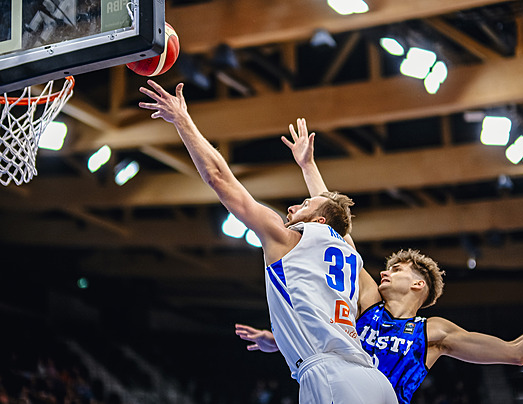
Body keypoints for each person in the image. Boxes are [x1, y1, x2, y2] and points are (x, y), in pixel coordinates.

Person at [235, 118, 523, 404]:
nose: (384, 273)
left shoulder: (432, 333)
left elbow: (516, 353)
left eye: (396, 270)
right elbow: (333, 233)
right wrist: (308, 166)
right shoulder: (367, 306)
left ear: (419, 284)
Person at [138, 82, 397, 404]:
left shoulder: (286, 238)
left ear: (317, 221)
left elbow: (219, 178)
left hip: (331, 377)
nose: (291, 208)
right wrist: (307, 166)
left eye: (301, 205)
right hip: (373, 380)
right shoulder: (348, 251)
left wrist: (182, 120)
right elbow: (330, 213)